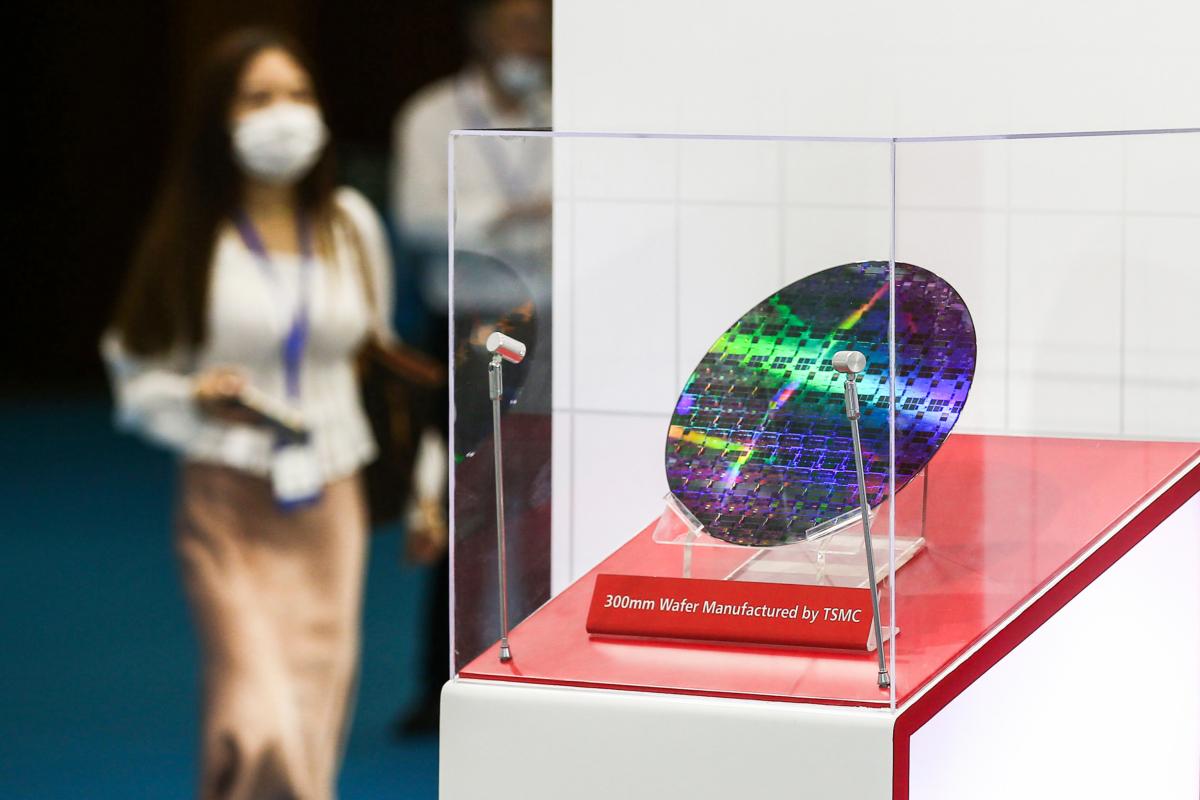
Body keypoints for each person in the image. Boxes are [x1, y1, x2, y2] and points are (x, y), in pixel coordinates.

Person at [103, 28, 440, 799]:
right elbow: (135, 368)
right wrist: (193, 394)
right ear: (220, 120)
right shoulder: (191, 234)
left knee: (312, 714)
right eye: (258, 98)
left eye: (296, 94)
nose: (283, 114)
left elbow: (381, 364)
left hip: (331, 501)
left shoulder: (351, 224)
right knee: (251, 717)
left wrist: (425, 489)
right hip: (225, 499)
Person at [388, 0, 552, 736]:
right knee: (463, 499)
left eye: (539, 22)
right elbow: (423, 218)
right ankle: (445, 679)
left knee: (547, 499)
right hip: (463, 323)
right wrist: (522, 213)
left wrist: (488, 212)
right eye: (514, 22)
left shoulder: (572, 109)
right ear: (477, 27)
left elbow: (593, 209)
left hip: (559, 323)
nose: (529, 37)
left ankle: (545, 666)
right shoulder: (431, 115)